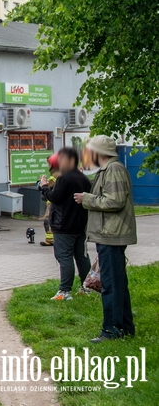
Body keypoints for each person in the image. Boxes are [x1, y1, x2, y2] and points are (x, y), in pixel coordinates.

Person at [74, 135, 138, 343]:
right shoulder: (109, 169)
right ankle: (125, 328)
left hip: (112, 235)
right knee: (117, 283)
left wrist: (87, 199)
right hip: (109, 234)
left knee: (111, 284)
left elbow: (115, 201)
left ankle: (111, 330)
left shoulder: (114, 169)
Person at [39, 147, 91, 301]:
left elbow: (56, 197)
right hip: (80, 224)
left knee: (64, 257)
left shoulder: (64, 178)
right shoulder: (83, 178)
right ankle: (87, 287)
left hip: (64, 225)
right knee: (81, 257)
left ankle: (64, 291)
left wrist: (43, 187)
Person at [36, 153, 61, 247]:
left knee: (48, 220)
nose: (48, 165)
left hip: (51, 202)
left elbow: (45, 186)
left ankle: (50, 240)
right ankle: (51, 239)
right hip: (52, 201)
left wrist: (41, 183)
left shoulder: (55, 175)